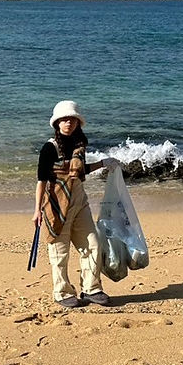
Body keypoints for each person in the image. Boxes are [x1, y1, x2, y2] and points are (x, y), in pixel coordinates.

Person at [33, 100, 118, 309]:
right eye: (63, 119)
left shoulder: (80, 146)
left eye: (71, 119)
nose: (67, 123)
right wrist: (37, 211)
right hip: (56, 205)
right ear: (56, 123)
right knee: (59, 252)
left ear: (77, 122)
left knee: (93, 244)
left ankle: (91, 288)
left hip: (80, 202)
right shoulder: (49, 148)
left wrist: (104, 163)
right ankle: (61, 292)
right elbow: (41, 181)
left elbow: (79, 172)